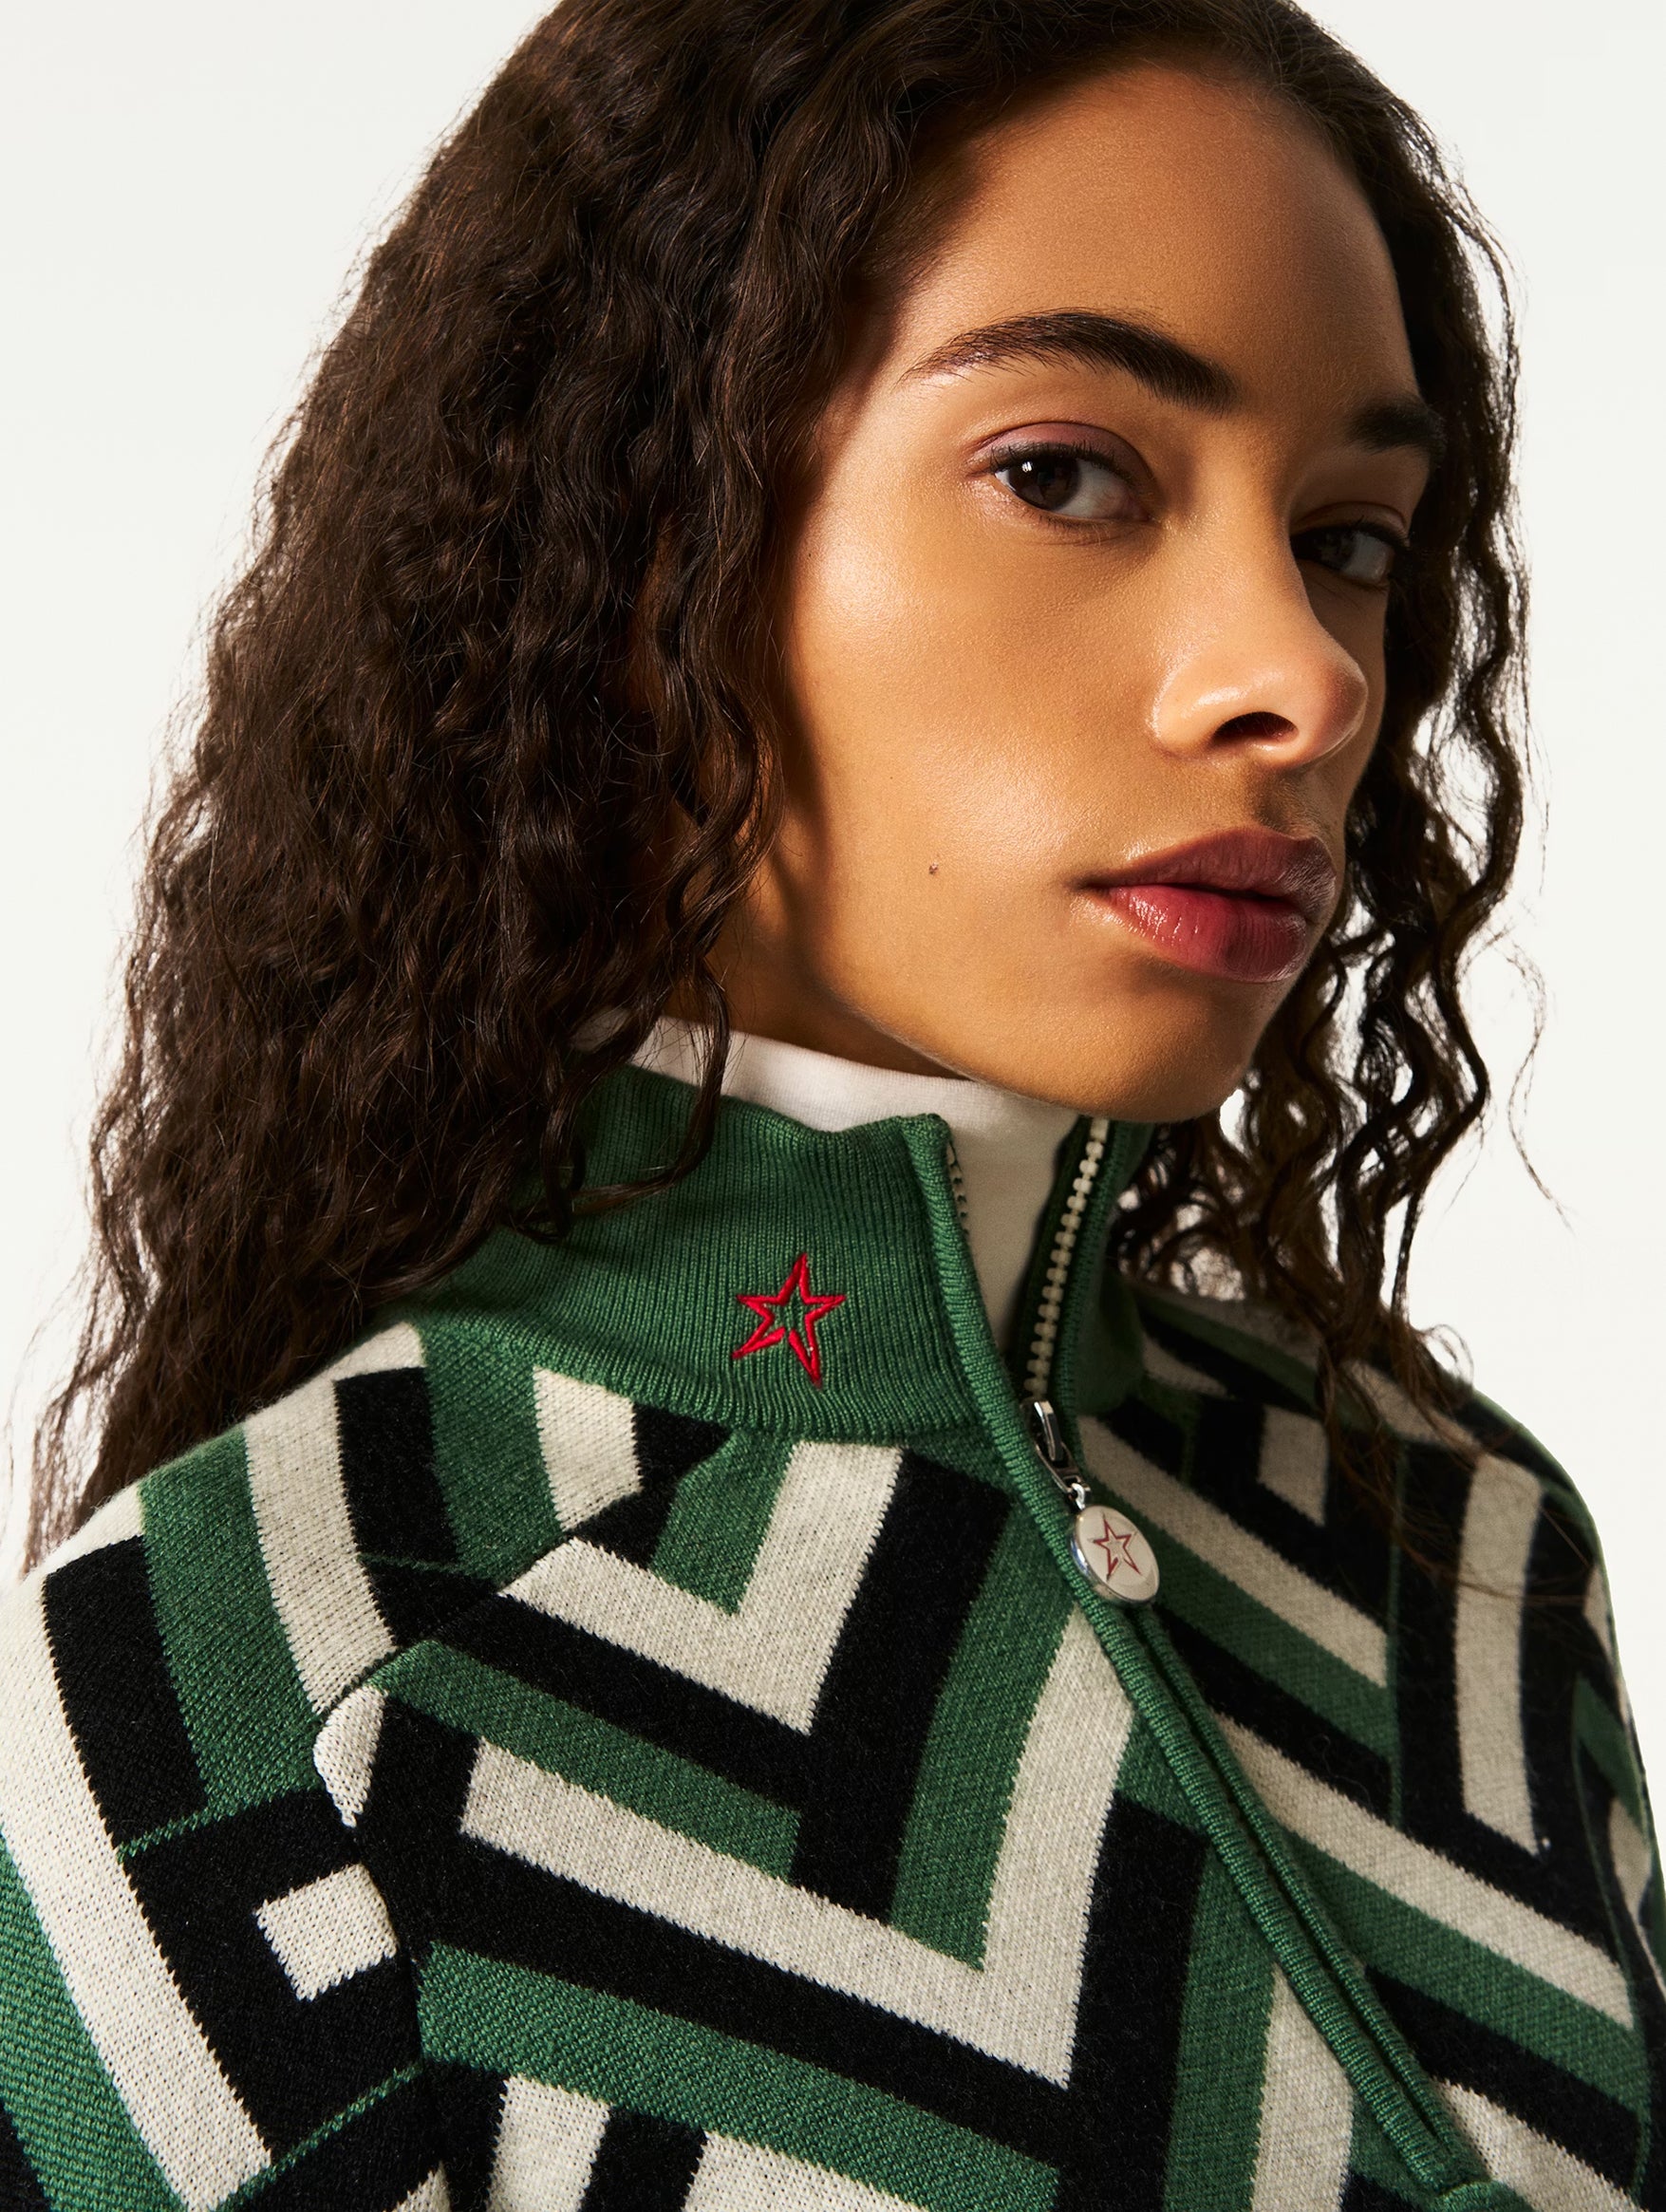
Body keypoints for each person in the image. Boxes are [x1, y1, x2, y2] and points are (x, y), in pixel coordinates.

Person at [1, 0, 1657, 2203]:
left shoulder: (1457, 1550)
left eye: (1346, 533)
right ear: (631, 544)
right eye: (1063, 475)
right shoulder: (235, 1694)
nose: (1303, 674)